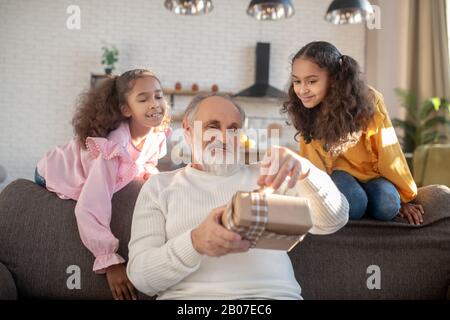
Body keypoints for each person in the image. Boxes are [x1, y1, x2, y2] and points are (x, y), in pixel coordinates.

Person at [126, 93, 349, 300]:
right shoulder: (159, 186)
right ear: (187, 130)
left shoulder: (268, 175)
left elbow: (333, 220)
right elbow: (142, 278)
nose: (224, 137)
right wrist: (194, 243)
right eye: (213, 126)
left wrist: (305, 169)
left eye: (233, 129)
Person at [35, 69, 170, 300]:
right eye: (143, 98)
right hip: (52, 170)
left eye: (158, 96)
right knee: (92, 192)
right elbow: (88, 208)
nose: (154, 104)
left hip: (81, 160)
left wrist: (149, 173)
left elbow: (146, 159)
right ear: (125, 109)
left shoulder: (156, 135)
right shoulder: (112, 150)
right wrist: (110, 261)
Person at [282, 41, 424, 225]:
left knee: (389, 206)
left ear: (333, 78)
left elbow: (389, 149)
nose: (302, 90)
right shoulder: (306, 107)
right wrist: (315, 196)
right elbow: (312, 159)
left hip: (373, 174)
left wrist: (406, 198)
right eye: (297, 81)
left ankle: (373, 200)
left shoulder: (370, 99)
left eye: (312, 81)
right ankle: (362, 201)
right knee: (355, 206)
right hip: (338, 173)